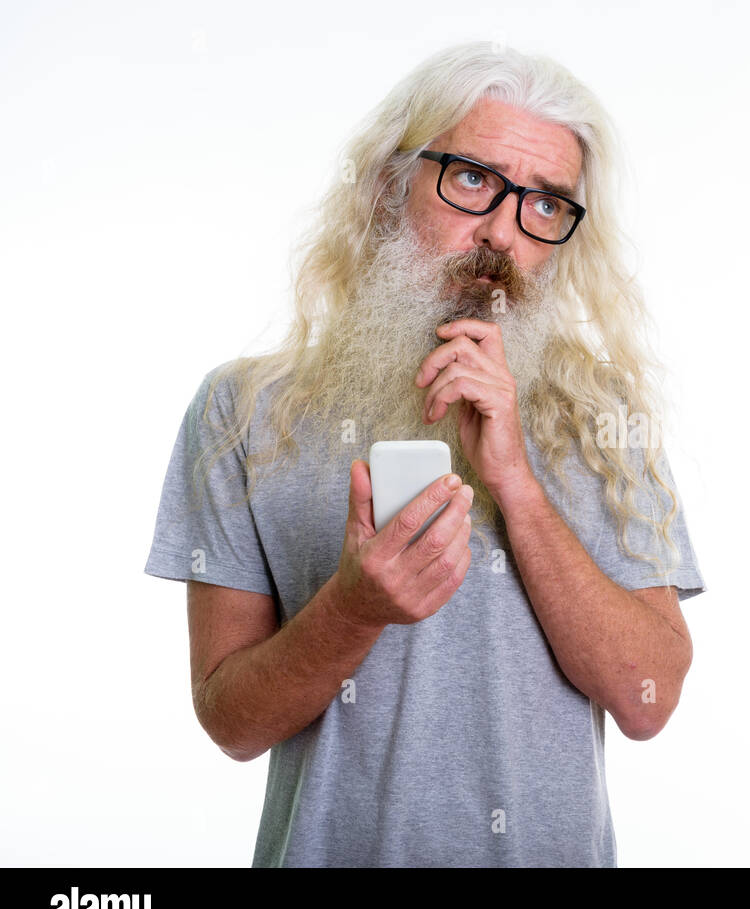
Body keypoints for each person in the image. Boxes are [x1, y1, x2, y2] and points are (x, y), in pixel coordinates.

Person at [144, 41, 705, 867]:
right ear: (386, 185)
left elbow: (646, 697)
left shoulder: (603, 415)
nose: (503, 234)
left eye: (545, 205)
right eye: (473, 178)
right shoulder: (242, 411)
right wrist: (352, 607)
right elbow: (231, 721)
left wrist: (514, 482)